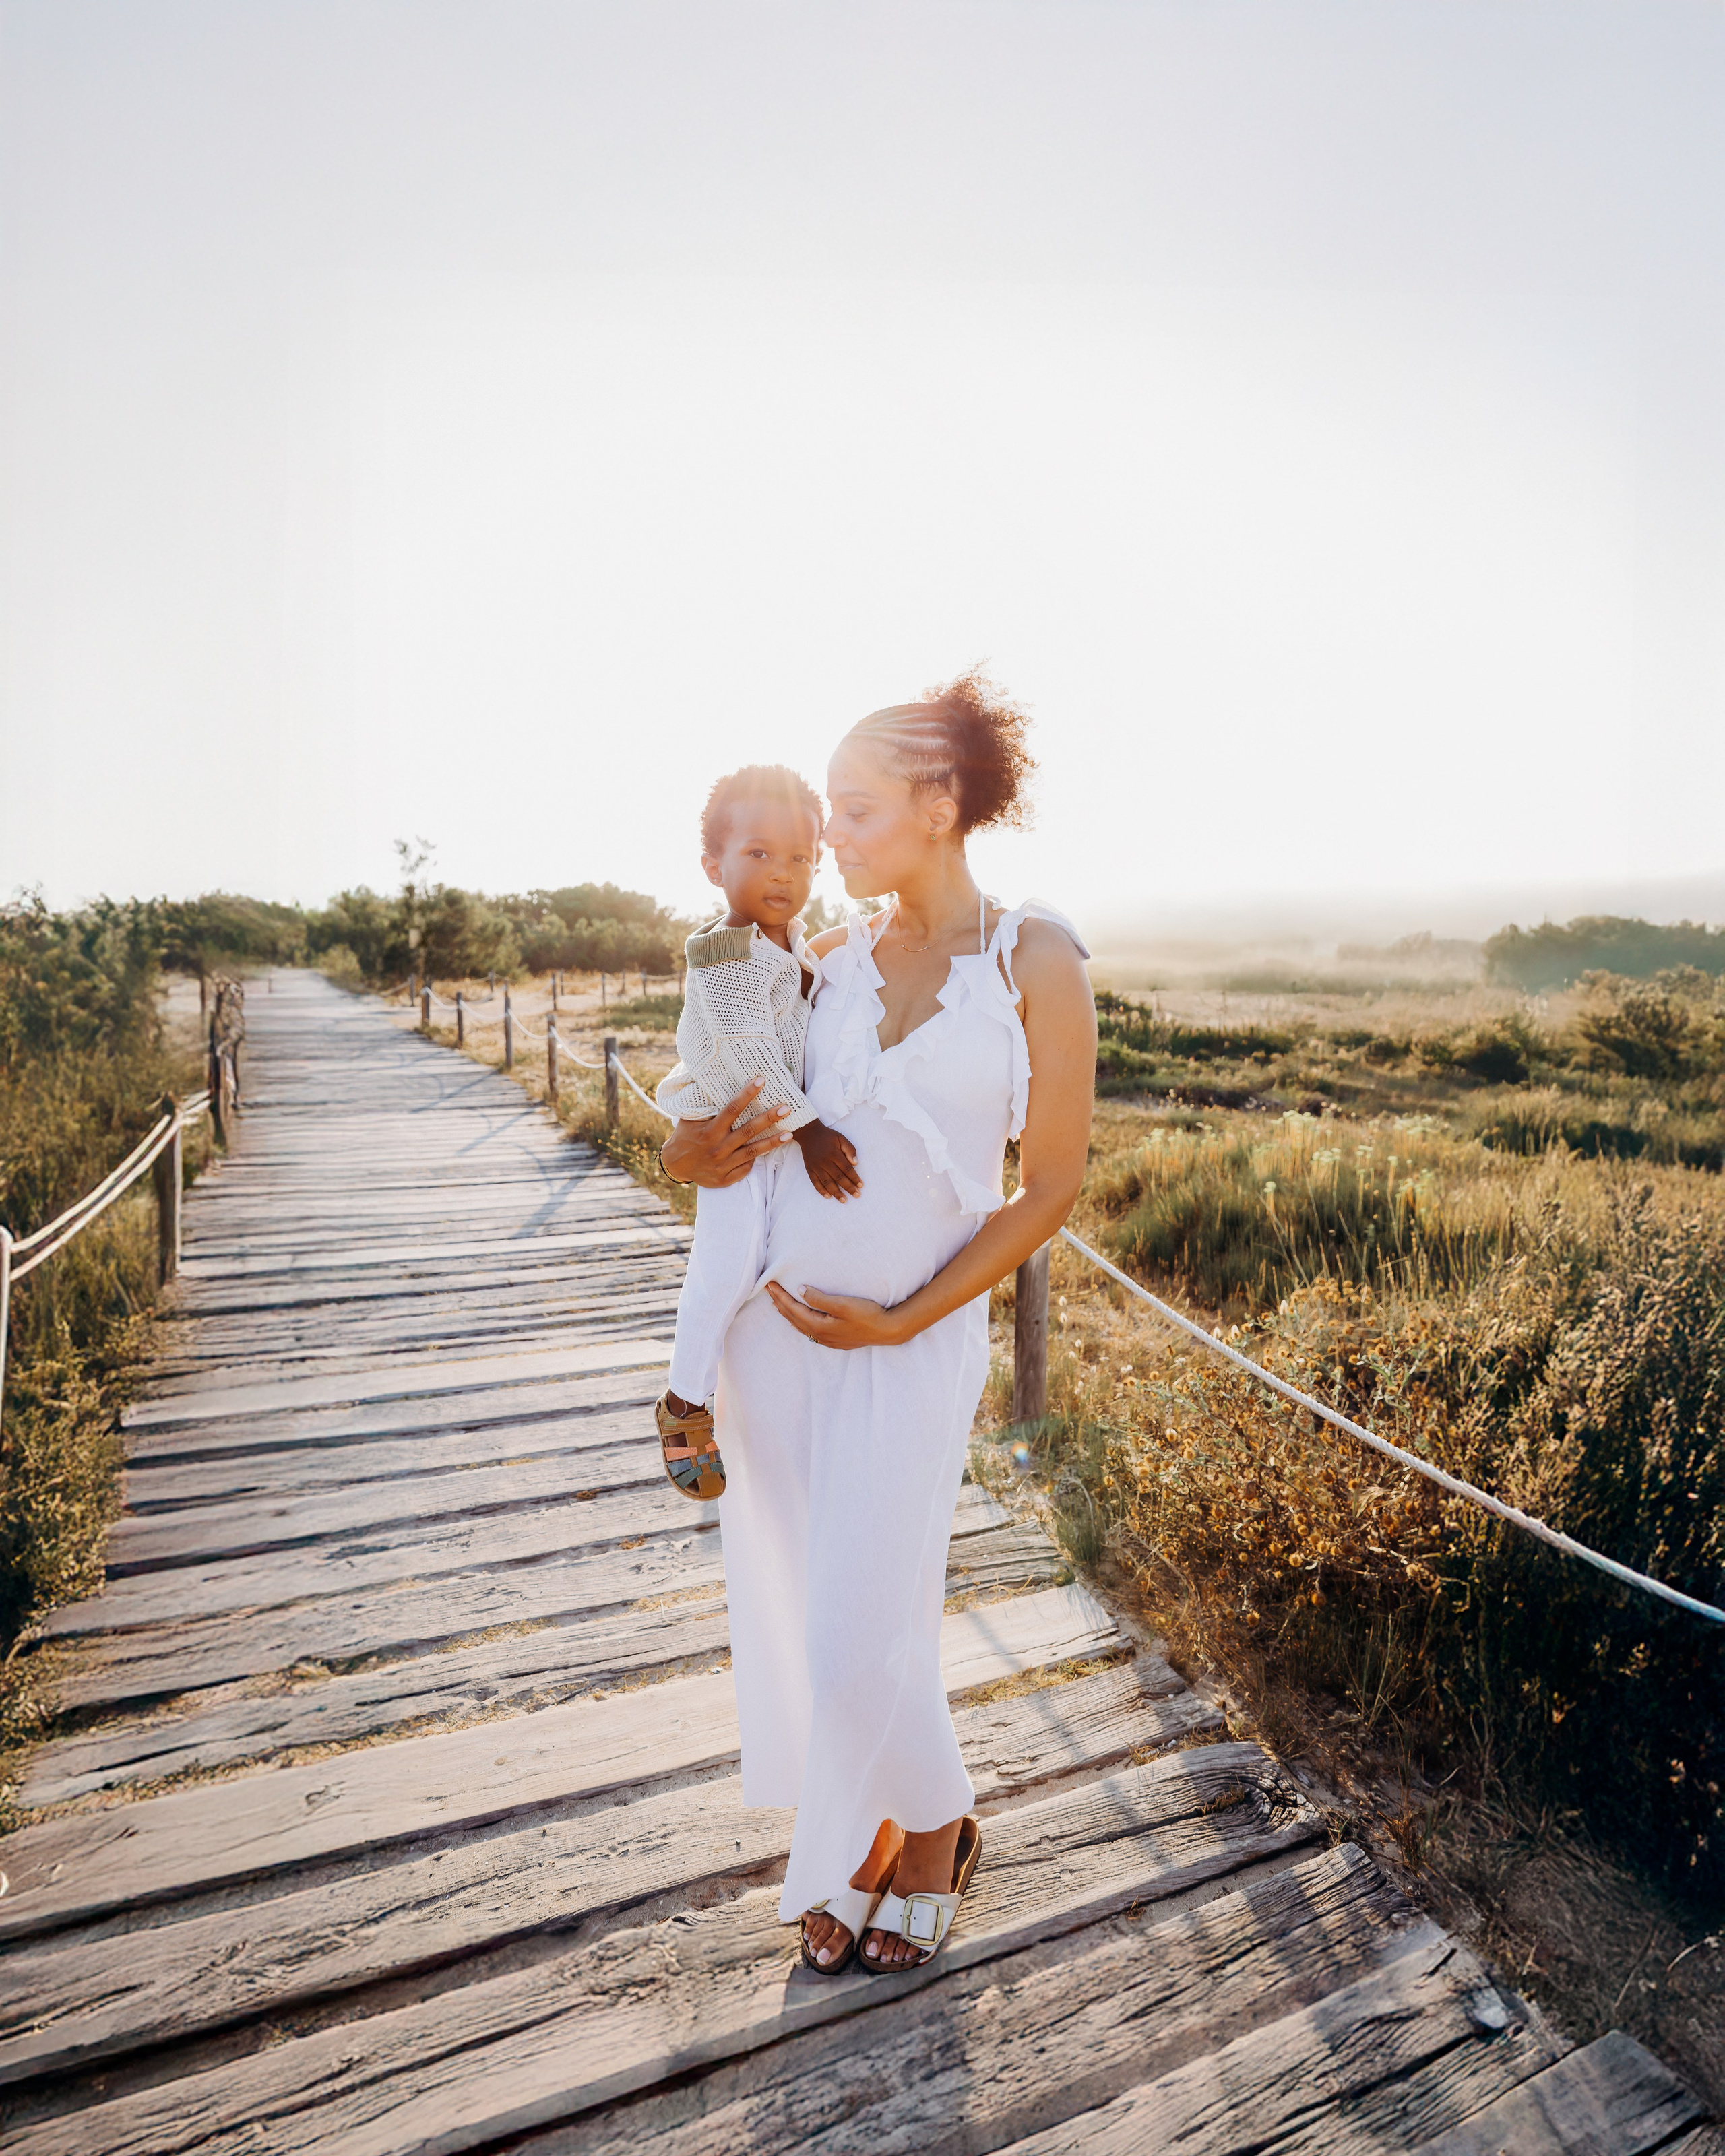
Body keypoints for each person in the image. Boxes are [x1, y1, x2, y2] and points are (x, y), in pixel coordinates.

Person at [660, 671, 1096, 1975]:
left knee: (860, 1623)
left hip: (913, 1344)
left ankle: (942, 1818)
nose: (829, 840)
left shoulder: (1035, 955)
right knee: (832, 1610)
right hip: (776, 1344)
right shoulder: (828, 961)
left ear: (939, 800)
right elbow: (720, 1100)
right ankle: (871, 1832)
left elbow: (1051, 1187)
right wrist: (683, 1146)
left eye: (852, 810)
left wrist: (904, 1317)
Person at [652, 765, 864, 1501]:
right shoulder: (723, 952)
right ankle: (684, 1400)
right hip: (738, 1135)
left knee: (766, 1267)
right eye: (759, 854)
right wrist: (810, 1134)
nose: (784, 872)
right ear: (714, 865)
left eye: (802, 857)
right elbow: (748, 1052)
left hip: (769, 1135)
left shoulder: (794, 942)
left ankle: (751, 1411)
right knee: (726, 1263)